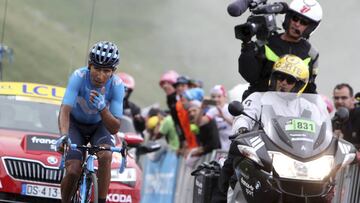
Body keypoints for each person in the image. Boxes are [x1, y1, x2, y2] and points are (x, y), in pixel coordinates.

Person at [215, 54, 325, 203]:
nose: (283, 83)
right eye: (280, 77)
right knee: (233, 172)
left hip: (296, 163)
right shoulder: (258, 98)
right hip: (259, 158)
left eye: (290, 80)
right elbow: (243, 117)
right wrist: (242, 130)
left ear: (299, 84)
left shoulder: (308, 107)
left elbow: (322, 130)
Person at [57, 41, 125, 203]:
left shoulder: (117, 85)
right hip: (75, 124)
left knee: (106, 155)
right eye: (97, 69)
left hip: (99, 126)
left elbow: (115, 128)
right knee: (73, 170)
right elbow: (64, 110)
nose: (100, 76)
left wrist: (103, 109)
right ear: (89, 65)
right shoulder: (78, 77)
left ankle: (101, 200)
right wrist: (64, 135)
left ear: (113, 72)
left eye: (106, 71)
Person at [238, 0, 322, 100]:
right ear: (288, 18)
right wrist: (247, 46)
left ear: (310, 27)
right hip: (260, 106)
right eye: (295, 19)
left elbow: (309, 89)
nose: (297, 24)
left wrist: (319, 108)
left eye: (303, 22)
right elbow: (250, 76)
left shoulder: (311, 54)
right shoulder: (265, 43)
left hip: (291, 111)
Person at [196, 85, 234, 150]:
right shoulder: (213, 111)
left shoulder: (230, 108)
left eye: (219, 96)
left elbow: (235, 124)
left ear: (225, 97)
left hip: (234, 142)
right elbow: (199, 123)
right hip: (222, 147)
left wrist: (224, 117)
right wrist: (202, 109)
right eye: (213, 97)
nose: (216, 99)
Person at [332, 83, 360, 148]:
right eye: (336, 98)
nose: (339, 101)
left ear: (352, 99)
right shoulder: (334, 120)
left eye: (344, 98)